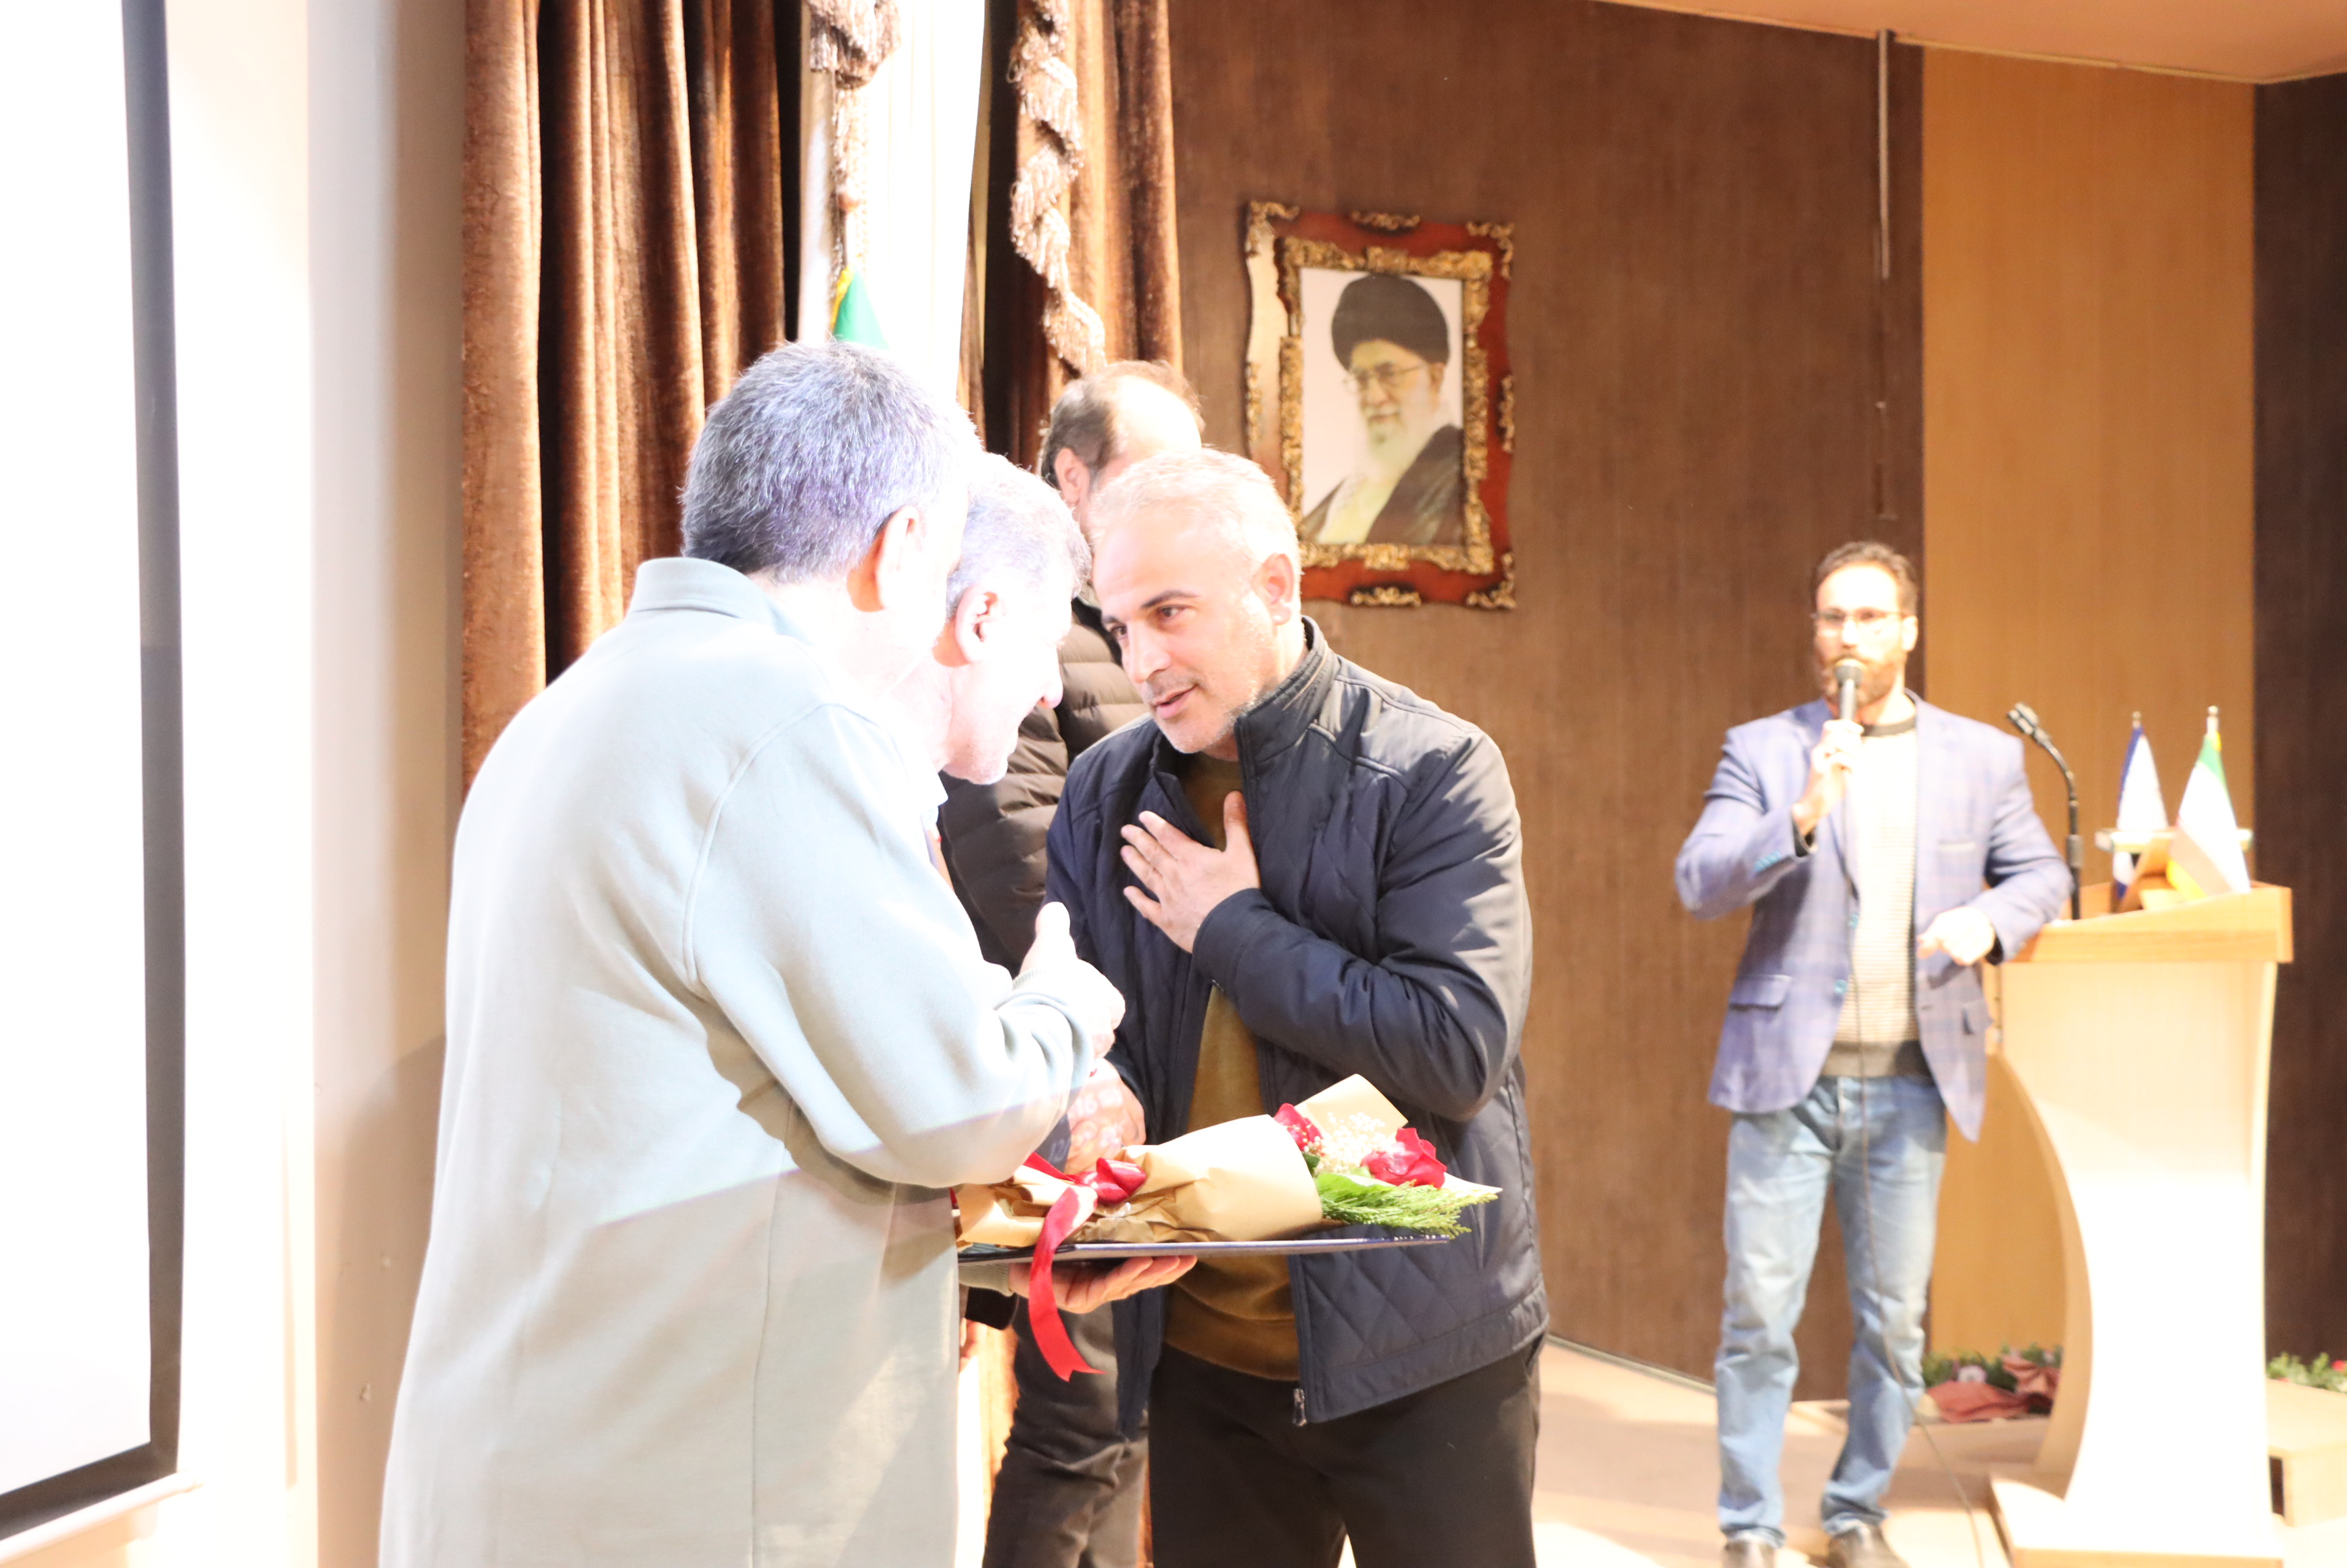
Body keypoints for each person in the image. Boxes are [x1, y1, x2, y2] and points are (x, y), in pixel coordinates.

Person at [381, 342, 1167, 1568]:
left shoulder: (572, 706)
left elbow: (701, 1105)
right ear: (903, 548)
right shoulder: (789, 721)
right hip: (688, 1482)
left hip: (548, 1442)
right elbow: (958, 1104)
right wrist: (1068, 998)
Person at [1048, 449, 1545, 1568]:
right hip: (1202, 1357)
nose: (1141, 660)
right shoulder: (1102, 789)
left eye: (1169, 613)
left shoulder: (1435, 770)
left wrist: (1233, 927)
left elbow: (1455, 1051)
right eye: (1119, 626)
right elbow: (1082, 1021)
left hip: (1427, 1349)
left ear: (1275, 586)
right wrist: (1091, 1093)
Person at [1674, 541, 2069, 1568]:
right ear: (1815, 632)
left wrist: (1989, 919)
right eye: (1831, 618)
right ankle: (1749, 1527)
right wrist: (1802, 814)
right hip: (1786, 1085)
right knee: (1759, 1317)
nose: (1847, 636)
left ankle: (1855, 1511)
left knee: (1894, 1327)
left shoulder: (1982, 758)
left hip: (1911, 1084)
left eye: (1868, 617)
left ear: (1908, 631)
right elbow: (1700, 881)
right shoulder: (1764, 750)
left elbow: (2042, 875)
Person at [938, 364, 1203, 1568]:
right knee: (1082, 1414)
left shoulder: (1159, 625)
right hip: (1068, 1064)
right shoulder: (1031, 622)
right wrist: (1127, 999)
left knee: (1132, 1410)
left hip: (1151, 1060)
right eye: (1150, 472)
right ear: (1074, 479)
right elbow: (1015, 857)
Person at [1299, 272, 1465, 547]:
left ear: (1435, 379)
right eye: (1362, 379)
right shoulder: (1348, 492)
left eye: (1389, 374)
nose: (1373, 396)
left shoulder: (1462, 475)